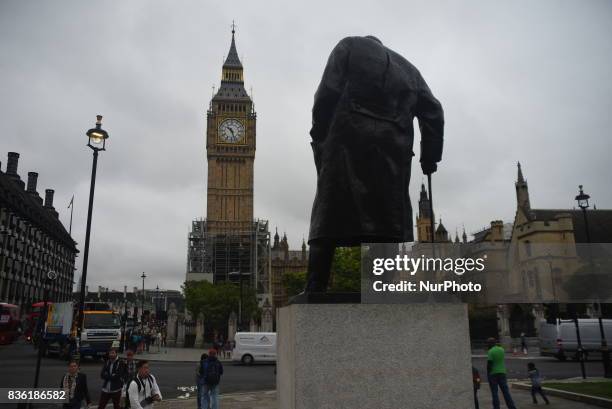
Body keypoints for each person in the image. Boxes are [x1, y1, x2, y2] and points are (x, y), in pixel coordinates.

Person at [302, 35, 444, 295]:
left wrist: (319, 134)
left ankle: (316, 285)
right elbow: (434, 112)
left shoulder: (349, 46)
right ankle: (380, 289)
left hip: (347, 138)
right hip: (393, 149)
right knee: (386, 222)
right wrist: (430, 156)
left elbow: (326, 93)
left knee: (328, 212)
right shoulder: (411, 71)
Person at [487, 337, 517, 409]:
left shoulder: (490, 351)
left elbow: (489, 364)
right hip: (502, 372)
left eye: (488, 343)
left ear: (491, 343)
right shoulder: (501, 349)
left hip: (493, 373)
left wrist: (488, 373)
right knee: (506, 392)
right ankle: (511, 407)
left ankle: (496, 407)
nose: (487, 344)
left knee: (494, 393)